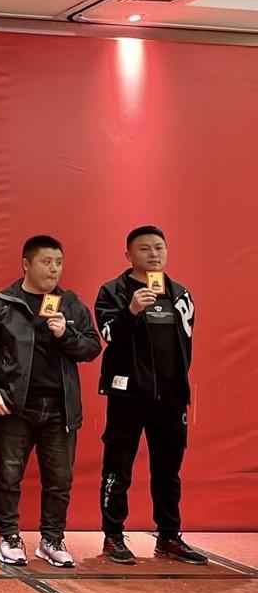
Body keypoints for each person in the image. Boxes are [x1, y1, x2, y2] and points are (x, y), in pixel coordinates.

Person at [0, 235, 101, 567]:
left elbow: (91, 348)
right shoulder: (2, 303)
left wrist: (65, 333)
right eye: (46, 262)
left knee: (59, 480)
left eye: (59, 263)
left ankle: (51, 539)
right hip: (15, 406)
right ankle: (8, 537)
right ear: (26, 264)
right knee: (8, 476)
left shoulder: (70, 303)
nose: (54, 269)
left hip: (60, 409)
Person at [95, 226, 206, 565]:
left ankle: (169, 536)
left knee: (168, 471)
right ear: (128, 255)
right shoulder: (112, 291)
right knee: (118, 468)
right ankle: (113, 536)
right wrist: (131, 310)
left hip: (171, 397)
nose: (153, 254)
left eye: (159, 247)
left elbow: (184, 345)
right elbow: (110, 335)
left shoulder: (180, 294)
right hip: (128, 395)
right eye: (144, 249)